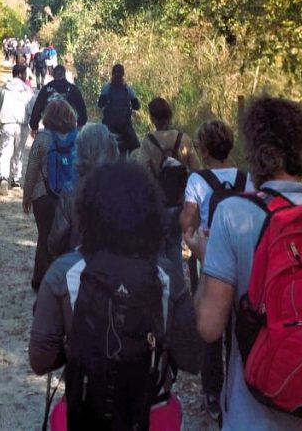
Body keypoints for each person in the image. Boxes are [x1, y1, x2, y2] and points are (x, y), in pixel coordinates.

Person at [185, 95, 302, 431]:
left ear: (256, 151)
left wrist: (203, 257)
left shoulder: (233, 216)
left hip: (256, 416)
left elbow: (209, 326)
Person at [30, 161, 200, 429]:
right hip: (151, 413)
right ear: (150, 216)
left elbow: (40, 360)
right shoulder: (167, 277)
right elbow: (192, 358)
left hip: (83, 412)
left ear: (87, 212)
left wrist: (78, 344)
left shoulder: (64, 273)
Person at [180, 118, 254, 424]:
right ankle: (238, 392)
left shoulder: (197, 181)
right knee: (238, 325)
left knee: (209, 324)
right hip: (241, 258)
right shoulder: (246, 179)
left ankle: (212, 390)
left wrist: (192, 235)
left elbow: (187, 222)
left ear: (205, 149)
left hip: (207, 256)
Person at [135, 98, 199, 296]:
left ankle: (159, 296)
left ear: (152, 118)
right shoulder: (184, 140)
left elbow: (140, 174)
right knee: (175, 252)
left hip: (157, 206)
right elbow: (197, 171)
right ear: (170, 115)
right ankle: (178, 294)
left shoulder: (148, 143)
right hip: (180, 205)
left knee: (157, 252)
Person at [22, 97, 79, 291]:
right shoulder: (76, 137)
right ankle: (63, 278)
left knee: (45, 236)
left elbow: (31, 170)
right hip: (69, 197)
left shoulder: (42, 138)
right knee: (65, 237)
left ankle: (40, 280)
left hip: (43, 196)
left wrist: (26, 197)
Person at [47, 122, 119, 259]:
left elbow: (56, 241)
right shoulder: (125, 188)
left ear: (82, 151)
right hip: (116, 270)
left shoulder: (71, 191)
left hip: (79, 267)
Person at [0, 63, 35, 195]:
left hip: (6, 123)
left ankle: (3, 178)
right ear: (22, 74)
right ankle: (16, 180)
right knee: (19, 153)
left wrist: (2, 114)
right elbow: (32, 109)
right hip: (21, 125)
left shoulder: (3, 89)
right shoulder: (27, 90)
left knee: (5, 152)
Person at [29, 64, 88, 135]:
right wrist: (80, 124)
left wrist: (34, 126)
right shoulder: (73, 89)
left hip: (50, 128)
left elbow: (38, 108)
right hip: (69, 128)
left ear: (53, 75)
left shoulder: (46, 89)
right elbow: (81, 108)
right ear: (64, 74)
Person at [97, 63, 141, 155]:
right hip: (124, 126)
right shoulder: (128, 89)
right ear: (123, 74)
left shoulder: (107, 88)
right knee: (136, 148)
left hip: (109, 126)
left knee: (101, 148)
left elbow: (100, 104)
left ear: (112, 74)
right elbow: (136, 106)